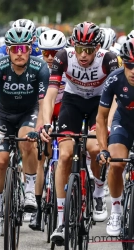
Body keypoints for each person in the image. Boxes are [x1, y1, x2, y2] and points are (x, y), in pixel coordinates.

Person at [40, 21, 119, 245]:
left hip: (99, 103)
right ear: (73, 46)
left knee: (95, 148)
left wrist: (109, 122)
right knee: (64, 155)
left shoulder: (109, 59)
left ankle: (98, 194)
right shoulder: (63, 57)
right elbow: (51, 93)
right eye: (79, 49)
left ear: (97, 47)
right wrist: (46, 124)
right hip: (72, 102)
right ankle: (61, 220)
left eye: (89, 50)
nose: (83, 55)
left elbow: (114, 97)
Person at [0, 26, 49, 238]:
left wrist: (39, 128)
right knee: (1, 161)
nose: (19, 52)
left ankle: (30, 191)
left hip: (28, 113)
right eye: (15, 49)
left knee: (27, 141)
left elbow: (43, 102)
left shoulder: (40, 67)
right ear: (8, 50)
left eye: (24, 48)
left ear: (30, 49)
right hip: (3, 114)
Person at [27, 29, 67, 231]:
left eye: (54, 53)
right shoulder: (35, 66)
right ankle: (39, 209)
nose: (50, 58)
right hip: (43, 109)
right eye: (45, 53)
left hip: (65, 109)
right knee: (41, 157)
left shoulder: (68, 63)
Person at [96, 39, 134, 236]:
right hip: (124, 122)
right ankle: (117, 210)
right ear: (123, 62)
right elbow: (101, 118)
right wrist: (103, 148)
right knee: (117, 163)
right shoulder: (114, 78)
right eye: (130, 65)